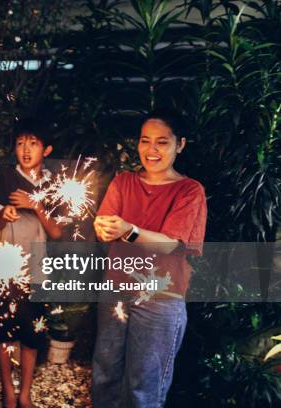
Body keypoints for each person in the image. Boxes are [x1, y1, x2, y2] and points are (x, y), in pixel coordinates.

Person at [92, 108, 207, 407]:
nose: (151, 150)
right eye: (145, 141)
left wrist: (128, 230)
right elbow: (104, 225)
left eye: (162, 142)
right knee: (104, 375)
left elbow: (170, 244)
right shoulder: (123, 182)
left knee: (144, 387)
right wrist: (103, 228)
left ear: (180, 144)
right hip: (116, 291)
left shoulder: (189, 191)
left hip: (161, 297)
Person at [0, 120, 62, 408]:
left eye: (33, 143)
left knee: (31, 332)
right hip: (4, 265)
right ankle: (8, 391)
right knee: (3, 331)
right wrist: (5, 213)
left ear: (46, 149)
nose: (26, 150)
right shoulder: (4, 177)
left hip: (36, 269)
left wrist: (35, 205)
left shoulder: (53, 183)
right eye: (20, 143)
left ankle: (25, 393)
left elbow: (57, 232)